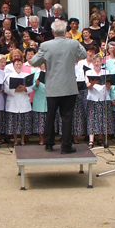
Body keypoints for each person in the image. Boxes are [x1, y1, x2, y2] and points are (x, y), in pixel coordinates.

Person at [30, 19, 87, 154]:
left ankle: (49, 144)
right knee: (67, 117)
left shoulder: (45, 45)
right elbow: (83, 54)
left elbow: (33, 61)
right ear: (65, 31)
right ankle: (66, 146)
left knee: (50, 115)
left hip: (53, 86)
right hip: (68, 86)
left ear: (53, 31)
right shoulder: (73, 43)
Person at [3, 56, 34, 146]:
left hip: (24, 99)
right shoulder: (9, 76)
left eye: (20, 64)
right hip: (13, 100)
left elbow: (31, 87)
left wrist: (25, 89)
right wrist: (15, 90)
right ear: (13, 65)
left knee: (23, 122)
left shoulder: (26, 75)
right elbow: (5, 88)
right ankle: (16, 140)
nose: (18, 66)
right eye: (16, 64)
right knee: (14, 122)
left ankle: (23, 140)